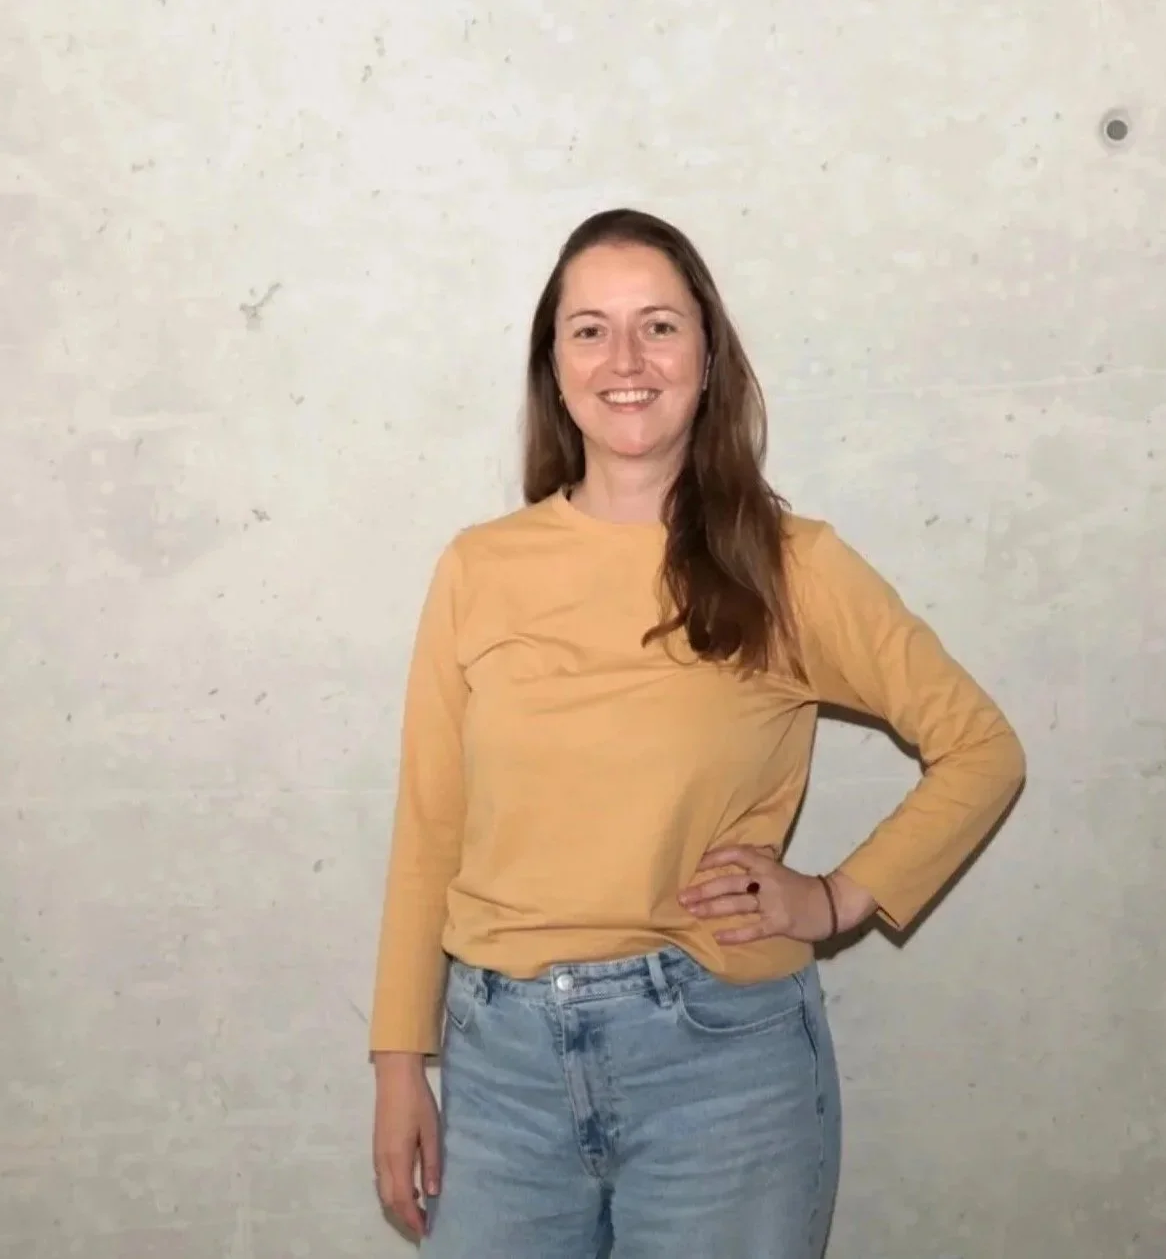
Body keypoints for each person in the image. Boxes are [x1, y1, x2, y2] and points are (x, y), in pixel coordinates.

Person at [367, 207, 1026, 1258]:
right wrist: (400, 1060)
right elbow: (429, 827)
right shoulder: (478, 568)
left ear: (708, 357)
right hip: (501, 1071)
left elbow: (981, 748)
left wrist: (833, 899)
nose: (625, 360)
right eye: (589, 329)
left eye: (658, 326)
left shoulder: (790, 563)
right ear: (553, 365)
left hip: (720, 1068)